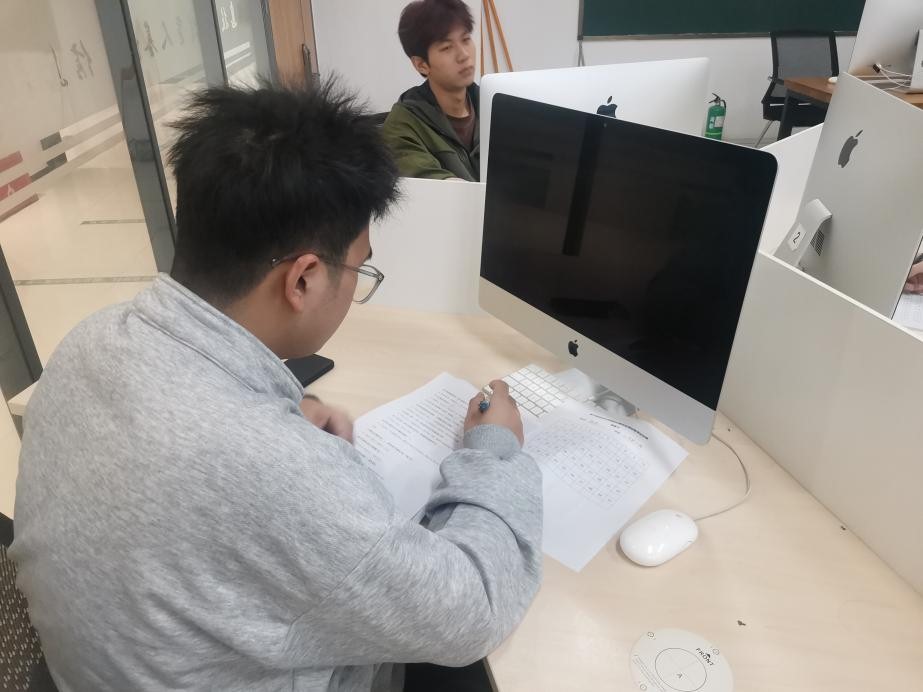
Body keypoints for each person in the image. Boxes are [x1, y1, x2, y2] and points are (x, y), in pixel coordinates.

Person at [11, 81, 542, 692]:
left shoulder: (90, 341)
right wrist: (493, 453)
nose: (357, 286)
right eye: (359, 267)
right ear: (304, 280)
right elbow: (472, 610)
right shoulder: (271, 469)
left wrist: (283, 412)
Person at [382, 0, 480, 181]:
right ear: (421, 64)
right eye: (447, 47)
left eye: (466, 40)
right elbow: (439, 188)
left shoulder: (492, 105)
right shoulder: (402, 127)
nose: (464, 55)